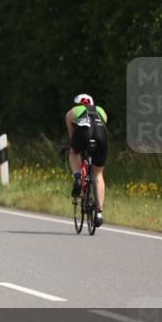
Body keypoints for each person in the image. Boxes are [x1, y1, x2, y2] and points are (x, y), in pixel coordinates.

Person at [66, 93, 109, 227]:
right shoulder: (101, 111)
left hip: (82, 131)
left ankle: (78, 177)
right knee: (98, 174)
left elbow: (71, 136)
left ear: (77, 104)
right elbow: (102, 126)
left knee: (73, 152)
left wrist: (76, 147)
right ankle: (99, 212)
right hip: (101, 134)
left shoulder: (72, 112)